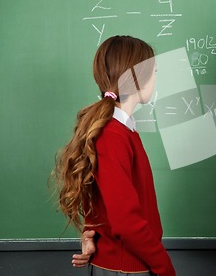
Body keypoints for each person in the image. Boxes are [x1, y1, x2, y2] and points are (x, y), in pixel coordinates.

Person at [52, 35, 176, 276]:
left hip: (125, 264)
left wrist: (90, 231)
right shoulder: (113, 135)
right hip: (126, 268)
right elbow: (126, 221)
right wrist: (164, 267)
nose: (156, 79)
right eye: (154, 72)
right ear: (138, 78)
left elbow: (101, 193)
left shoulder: (120, 130)